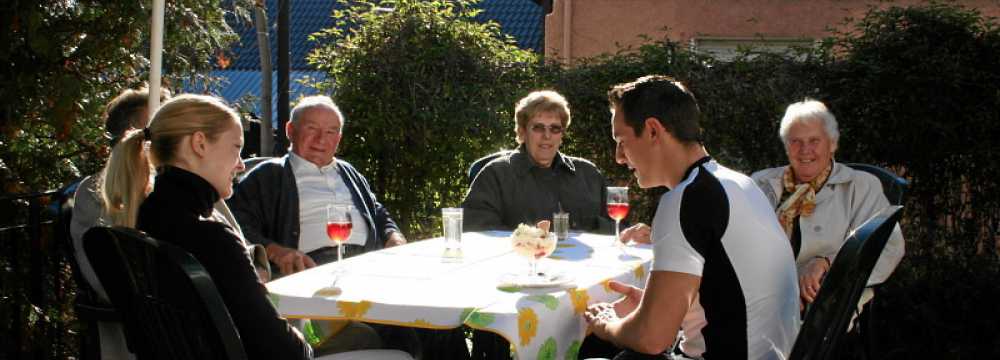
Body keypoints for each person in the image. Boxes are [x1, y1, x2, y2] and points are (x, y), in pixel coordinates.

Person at [102, 94, 411, 360]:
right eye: (237, 148)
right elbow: (280, 349)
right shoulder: (210, 236)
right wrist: (307, 338)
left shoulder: (145, 220)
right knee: (401, 351)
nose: (240, 165)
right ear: (199, 144)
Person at [583, 75, 800, 359]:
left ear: (652, 131)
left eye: (621, 141)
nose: (618, 157)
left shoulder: (686, 200)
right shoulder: (739, 184)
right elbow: (730, 293)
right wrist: (651, 309)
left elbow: (651, 339)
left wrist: (607, 324)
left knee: (598, 346)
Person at [750, 99, 904, 309]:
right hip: (761, 295)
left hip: (824, 302)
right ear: (787, 147)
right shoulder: (759, 184)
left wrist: (828, 263)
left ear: (832, 144)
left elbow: (888, 246)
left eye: (814, 140)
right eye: (796, 141)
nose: (805, 150)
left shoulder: (860, 186)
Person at [228, 95, 406, 275]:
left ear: (338, 138)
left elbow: (376, 211)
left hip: (366, 263)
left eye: (331, 132)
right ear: (290, 131)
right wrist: (275, 251)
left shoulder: (349, 172)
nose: (321, 139)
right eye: (312, 129)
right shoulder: (268, 175)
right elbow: (235, 222)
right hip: (311, 267)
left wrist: (394, 236)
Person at [462, 90, 614, 233]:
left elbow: (617, 227)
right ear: (522, 131)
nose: (547, 136)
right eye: (538, 128)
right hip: (524, 259)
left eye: (555, 128)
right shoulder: (495, 176)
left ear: (562, 135)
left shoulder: (588, 174)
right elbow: (476, 230)